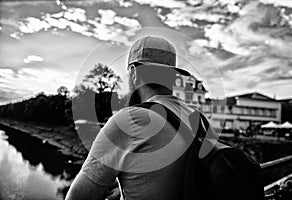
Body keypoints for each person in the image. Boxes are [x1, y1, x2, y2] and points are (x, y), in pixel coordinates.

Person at [65, 36, 201, 200]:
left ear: (134, 73)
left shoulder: (130, 121)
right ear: (173, 76)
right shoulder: (198, 119)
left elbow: (77, 197)